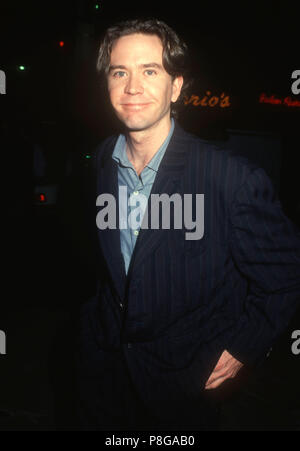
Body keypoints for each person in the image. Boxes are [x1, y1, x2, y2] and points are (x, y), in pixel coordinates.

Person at [76, 18, 300, 431]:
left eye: (150, 70)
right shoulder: (103, 159)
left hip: (184, 383)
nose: (132, 87)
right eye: (119, 71)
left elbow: (285, 278)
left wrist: (244, 348)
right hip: (106, 374)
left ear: (176, 86)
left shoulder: (232, 179)